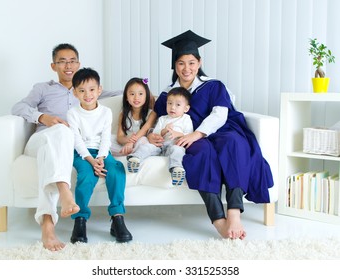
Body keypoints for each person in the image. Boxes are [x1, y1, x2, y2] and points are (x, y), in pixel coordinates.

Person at [150, 30, 274, 239]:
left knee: (234, 144)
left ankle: (234, 213)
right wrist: (150, 135)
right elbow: (157, 118)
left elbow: (220, 114)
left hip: (222, 129)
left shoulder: (213, 85)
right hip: (189, 136)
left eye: (191, 62)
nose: (186, 68)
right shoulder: (168, 94)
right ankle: (218, 220)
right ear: (174, 66)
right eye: (181, 63)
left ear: (199, 62)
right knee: (200, 153)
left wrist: (198, 134)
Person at [11, 43, 121, 251]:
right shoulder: (43, 88)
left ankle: (48, 226)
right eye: (62, 61)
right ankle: (64, 189)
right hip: (42, 138)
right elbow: (18, 107)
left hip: (66, 146)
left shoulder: (85, 89)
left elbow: (124, 92)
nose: (68, 65)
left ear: (78, 64)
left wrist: (144, 89)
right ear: (54, 66)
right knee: (62, 131)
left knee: (56, 149)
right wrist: (43, 117)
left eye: (72, 61)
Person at [67, 67, 132, 244]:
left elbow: (105, 138)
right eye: (81, 90)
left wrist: (102, 158)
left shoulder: (106, 112)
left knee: (117, 170)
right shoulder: (73, 113)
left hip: (102, 153)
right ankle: (80, 219)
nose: (87, 94)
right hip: (82, 154)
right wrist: (90, 160)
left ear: (99, 90)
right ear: (75, 93)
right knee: (86, 176)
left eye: (91, 89)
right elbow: (76, 140)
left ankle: (117, 217)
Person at [128, 87, 193, 186]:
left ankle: (177, 169)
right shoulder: (163, 119)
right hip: (160, 145)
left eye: (178, 105)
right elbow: (156, 133)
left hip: (174, 145)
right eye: (169, 103)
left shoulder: (186, 119)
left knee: (178, 151)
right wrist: (164, 131)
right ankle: (135, 158)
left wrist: (177, 134)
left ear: (186, 108)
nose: (172, 107)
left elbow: (189, 134)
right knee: (148, 147)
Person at [111, 77, 157, 161]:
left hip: (140, 143)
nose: (136, 98)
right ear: (126, 97)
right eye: (132, 94)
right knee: (108, 139)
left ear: (146, 96)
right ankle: (128, 152)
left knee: (143, 141)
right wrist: (127, 141)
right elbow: (120, 137)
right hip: (126, 143)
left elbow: (144, 130)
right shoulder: (123, 114)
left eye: (140, 94)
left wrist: (131, 142)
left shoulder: (152, 114)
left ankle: (134, 156)